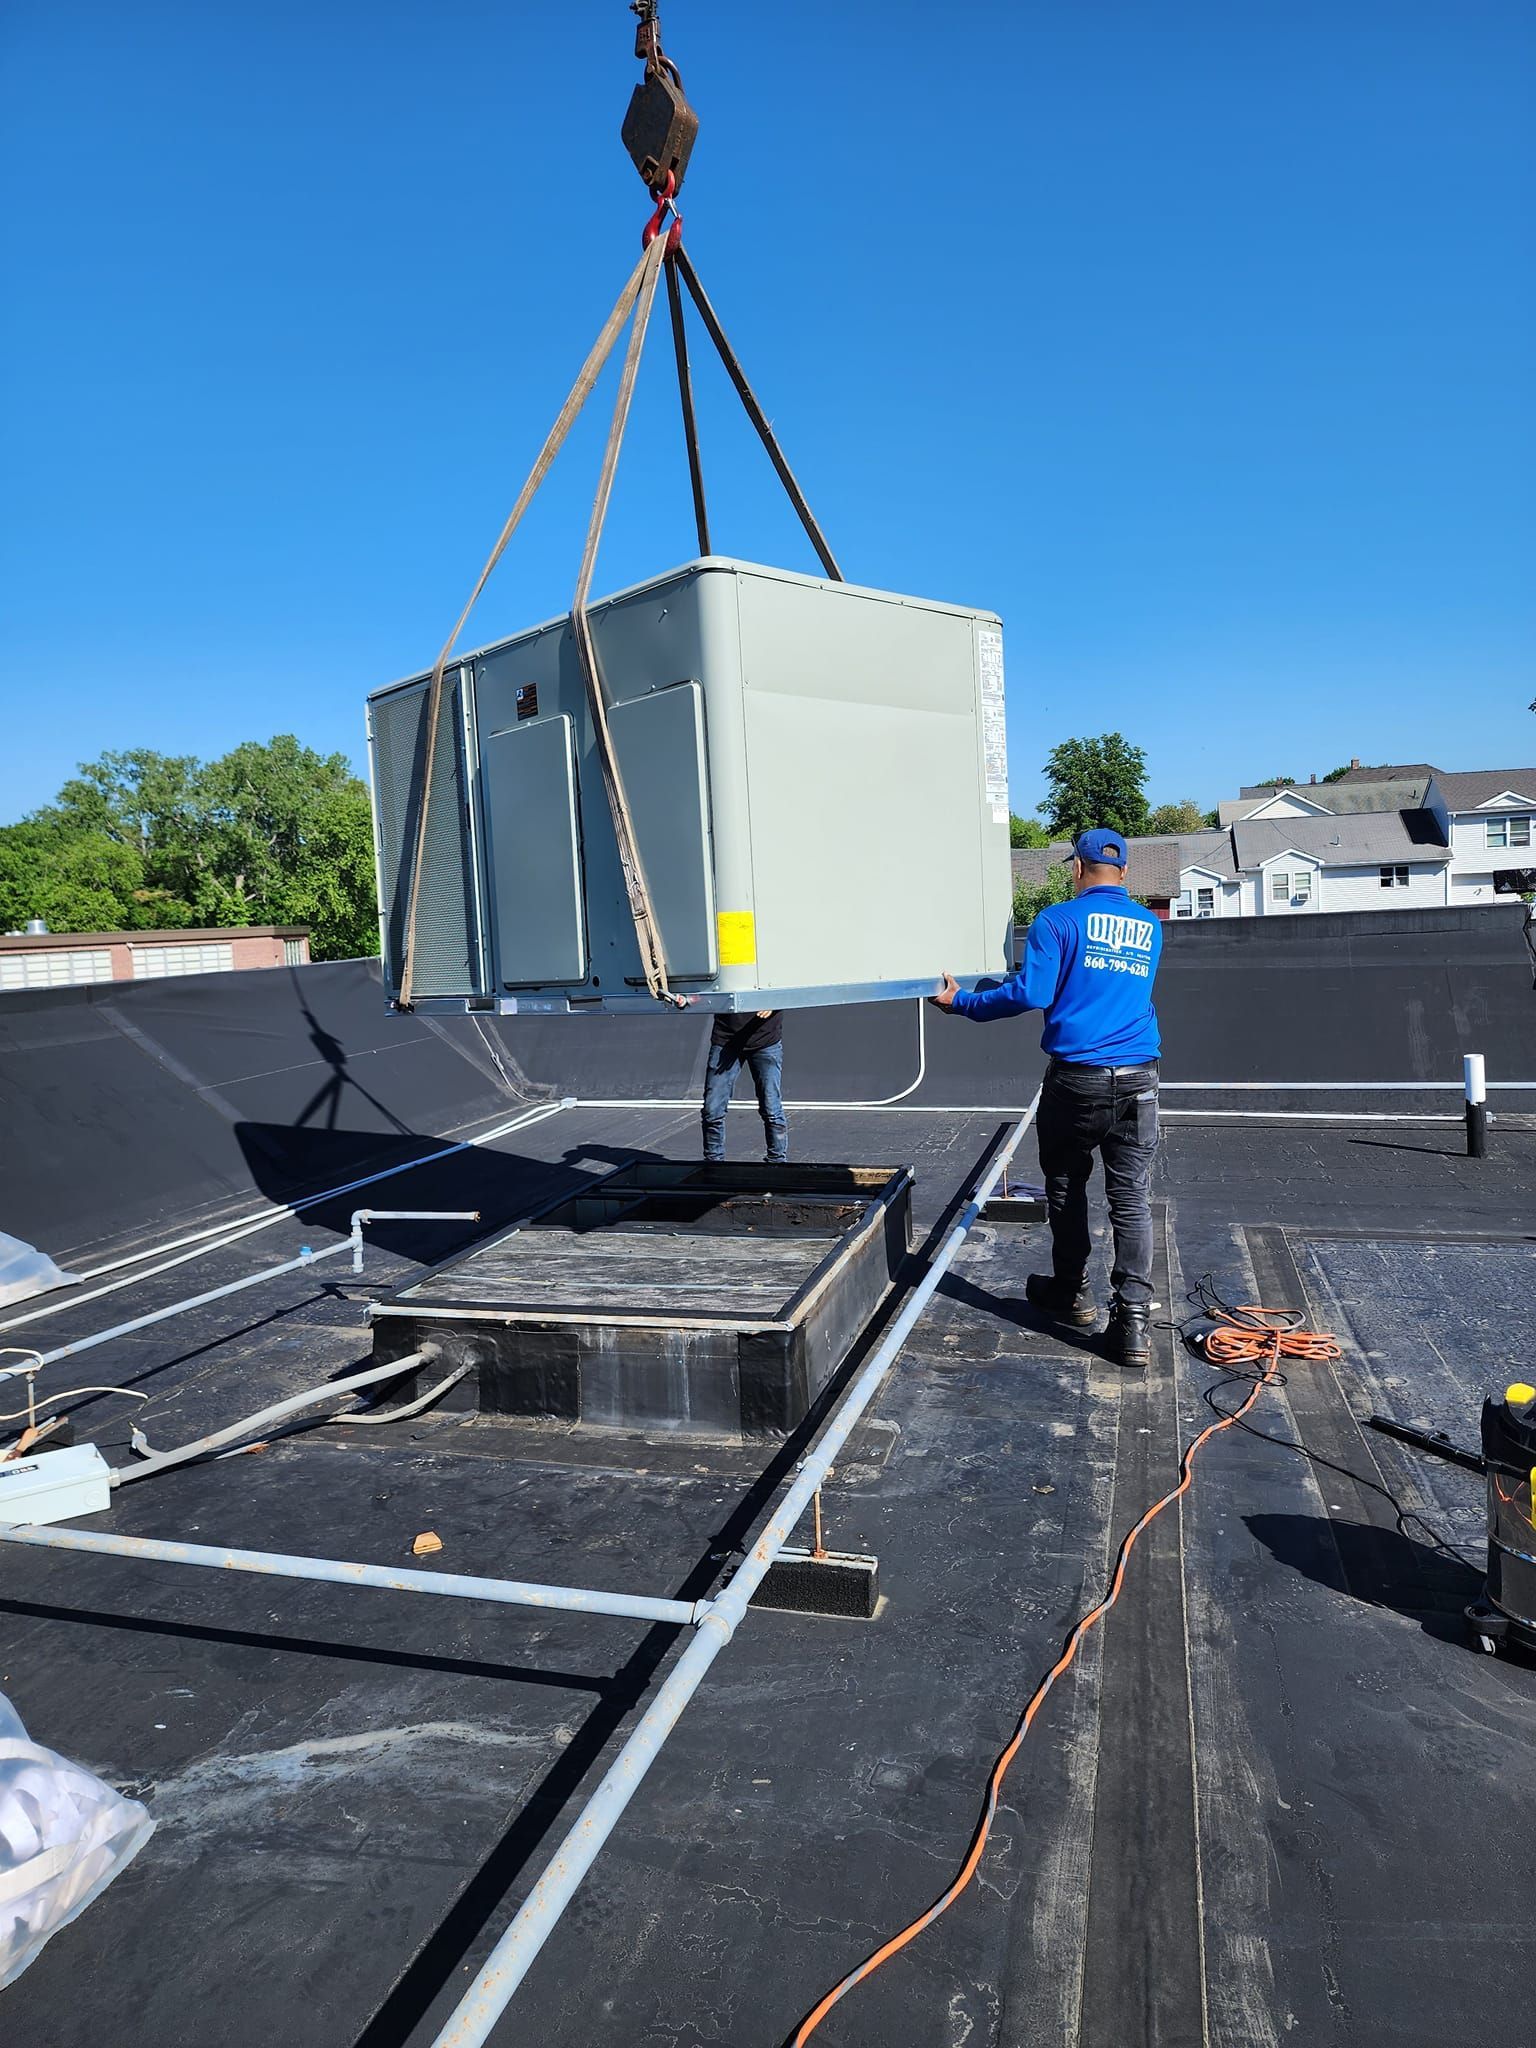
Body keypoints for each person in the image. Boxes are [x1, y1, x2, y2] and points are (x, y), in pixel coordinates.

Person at [931, 828, 1162, 1367]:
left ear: (1077, 869)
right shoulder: (1150, 925)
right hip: (1139, 1077)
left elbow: (1033, 992)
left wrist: (962, 1001)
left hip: (1078, 1077)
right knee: (1130, 1199)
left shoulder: (1057, 920)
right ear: (1123, 874)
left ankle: (1072, 1293)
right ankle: (1132, 1325)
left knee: (1066, 1184)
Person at [702, 1009, 788, 1164]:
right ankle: (713, 1163)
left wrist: (773, 1003)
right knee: (712, 1110)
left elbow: (788, 989)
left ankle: (777, 1163)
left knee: (771, 1108)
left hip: (765, 1040)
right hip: (726, 1040)